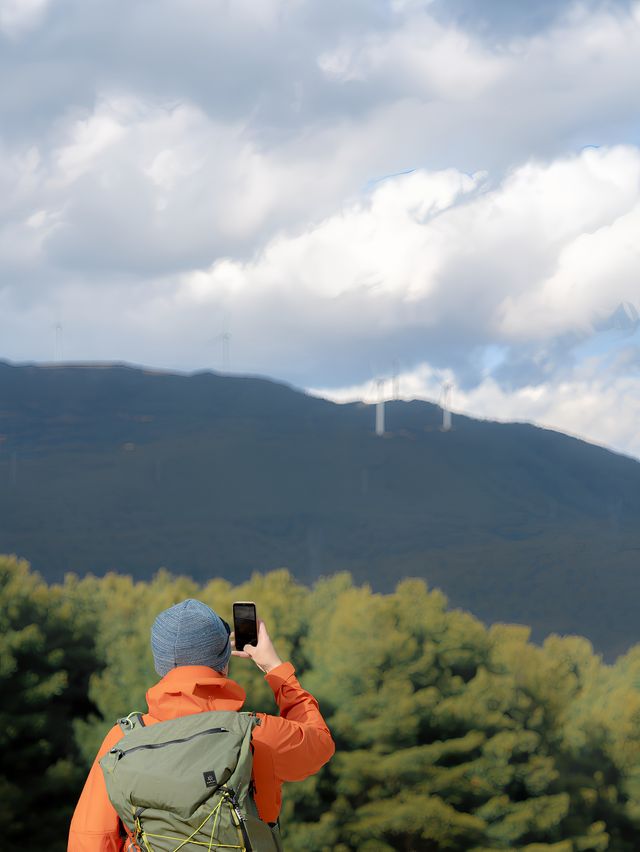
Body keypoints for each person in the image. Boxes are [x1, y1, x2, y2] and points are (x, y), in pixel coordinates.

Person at [68, 598, 335, 851]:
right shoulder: (256, 735)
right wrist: (274, 668)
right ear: (224, 663)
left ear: (161, 665)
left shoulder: (121, 740)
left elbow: (91, 839)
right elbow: (320, 743)